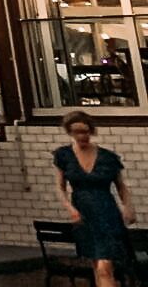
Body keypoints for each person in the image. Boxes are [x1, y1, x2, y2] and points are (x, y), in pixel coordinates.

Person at [54, 110, 135, 287]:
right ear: (70, 132)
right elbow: (60, 188)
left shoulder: (107, 157)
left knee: (105, 267)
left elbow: (121, 186)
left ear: (91, 130)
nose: (82, 136)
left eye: (85, 131)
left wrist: (128, 207)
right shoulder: (64, 155)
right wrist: (70, 208)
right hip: (84, 215)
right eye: (77, 132)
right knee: (96, 265)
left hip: (107, 213)